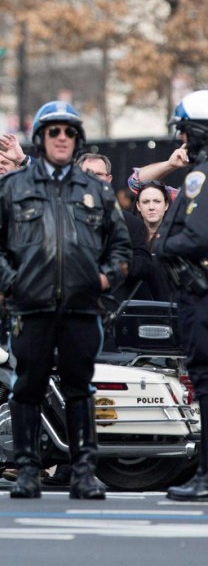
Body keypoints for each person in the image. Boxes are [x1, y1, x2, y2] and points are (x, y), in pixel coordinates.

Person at [0, 100, 132, 500]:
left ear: (77, 139)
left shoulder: (96, 189)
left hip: (82, 308)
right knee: (27, 387)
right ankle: (28, 470)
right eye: (53, 131)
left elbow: (121, 247)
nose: (61, 138)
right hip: (31, 307)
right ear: (41, 138)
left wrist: (102, 279)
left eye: (68, 132)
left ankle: (83, 471)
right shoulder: (13, 187)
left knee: (80, 389)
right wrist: (14, 284)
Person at [154, 89, 208, 502]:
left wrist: (165, 247)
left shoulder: (200, 176)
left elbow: (195, 236)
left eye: (185, 133)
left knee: (205, 382)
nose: (181, 142)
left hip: (201, 297)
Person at [78, 153, 153, 302]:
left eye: (99, 174)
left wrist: (114, 265)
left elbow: (144, 265)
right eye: (87, 173)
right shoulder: (62, 218)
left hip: (118, 307)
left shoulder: (130, 223)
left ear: (108, 179)